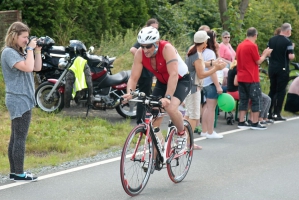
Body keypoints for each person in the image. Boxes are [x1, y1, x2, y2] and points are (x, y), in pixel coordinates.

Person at [122, 26, 191, 154]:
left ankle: (182, 134)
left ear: (157, 43)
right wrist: (130, 93)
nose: (145, 50)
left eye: (148, 46)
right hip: (162, 82)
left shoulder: (167, 49)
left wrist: (168, 97)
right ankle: (159, 150)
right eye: (142, 46)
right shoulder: (140, 53)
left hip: (181, 80)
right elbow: (133, 77)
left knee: (170, 108)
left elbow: (174, 74)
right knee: (152, 121)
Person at [1, 22, 42, 181]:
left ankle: (14, 172)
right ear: (14, 36)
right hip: (18, 98)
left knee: (15, 136)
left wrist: (36, 51)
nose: (26, 40)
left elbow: (36, 67)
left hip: (23, 98)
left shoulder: (20, 52)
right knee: (20, 138)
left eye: (27, 37)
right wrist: (30, 49)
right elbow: (27, 67)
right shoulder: (8, 52)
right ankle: (19, 173)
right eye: (24, 37)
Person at [184, 31, 226, 148]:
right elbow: (201, 73)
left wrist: (213, 62)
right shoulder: (197, 55)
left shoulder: (193, 50)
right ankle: (188, 142)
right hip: (194, 87)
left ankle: (182, 139)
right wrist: (215, 68)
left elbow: (201, 64)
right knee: (193, 116)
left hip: (190, 86)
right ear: (204, 42)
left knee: (188, 115)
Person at [236, 27, 272, 130]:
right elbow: (258, 61)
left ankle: (241, 121)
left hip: (241, 76)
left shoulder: (240, 45)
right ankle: (255, 122)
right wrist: (265, 54)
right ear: (255, 35)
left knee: (244, 99)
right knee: (256, 99)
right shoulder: (252, 46)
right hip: (251, 77)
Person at [130, 18, 159, 124]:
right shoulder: (145, 39)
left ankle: (146, 120)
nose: (155, 30)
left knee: (149, 97)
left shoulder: (155, 42)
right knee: (143, 97)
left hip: (150, 73)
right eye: (153, 28)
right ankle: (140, 120)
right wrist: (144, 60)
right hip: (144, 73)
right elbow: (133, 49)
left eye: (156, 28)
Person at [267, 23, 295, 121]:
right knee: (281, 91)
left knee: (272, 89)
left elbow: (268, 53)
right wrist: (293, 49)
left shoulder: (271, 40)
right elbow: (290, 56)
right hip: (282, 68)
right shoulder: (288, 42)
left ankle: (268, 111)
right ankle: (277, 113)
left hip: (272, 68)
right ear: (287, 31)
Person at [201, 30, 224, 139]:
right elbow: (212, 70)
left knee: (206, 107)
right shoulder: (210, 52)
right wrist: (218, 86)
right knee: (211, 108)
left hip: (204, 82)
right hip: (211, 82)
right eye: (215, 38)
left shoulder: (204, 51)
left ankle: (204, 130)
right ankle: (210, 132)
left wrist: (218, 50)